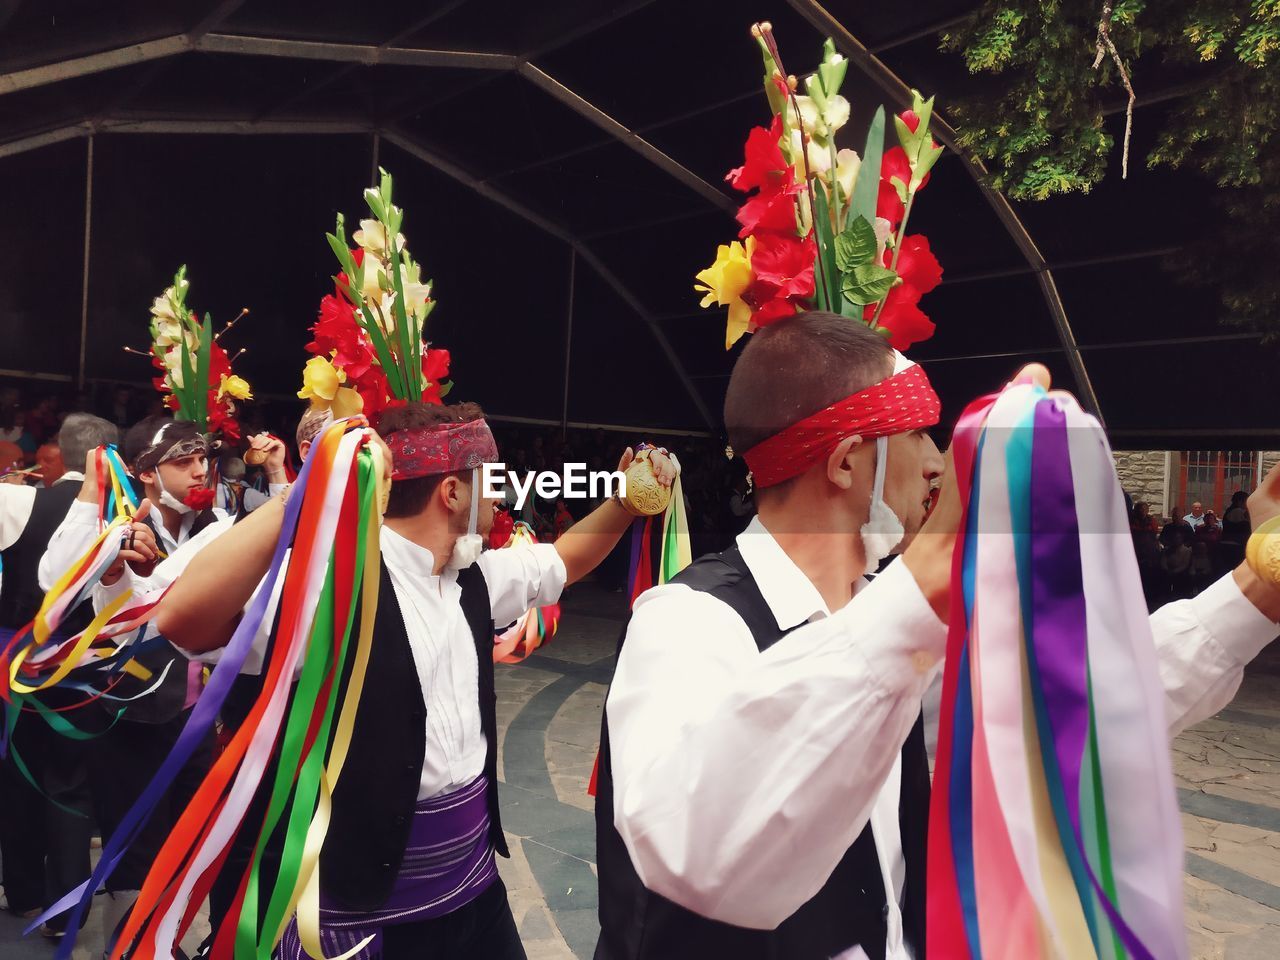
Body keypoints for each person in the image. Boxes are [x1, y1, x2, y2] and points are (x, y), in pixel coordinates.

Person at [592, 311, 1280, 960]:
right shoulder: (686, 620)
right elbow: (698, 851)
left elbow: (1081, 699)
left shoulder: (896, 624)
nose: (938, 464)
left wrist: (1262, 582)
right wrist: (932, 568)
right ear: (844, 463)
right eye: (920, 433)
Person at [149, 402, 676, 960]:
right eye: (489, 479)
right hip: (362, 916)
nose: (500, 495)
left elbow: (563, 561)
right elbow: (183, 619)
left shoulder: (474, 575)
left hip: (473, 891)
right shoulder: (332, 588)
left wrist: (625, 501)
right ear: (451, 492)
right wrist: (303, 495)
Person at [0, 413, 119, 936]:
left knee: (18, 774)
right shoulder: (120, 513)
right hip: (88, 666)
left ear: (60, 453)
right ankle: (65, 907)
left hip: (20, 661)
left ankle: (24, 893)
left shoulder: (16, 500)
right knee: (71, 785)